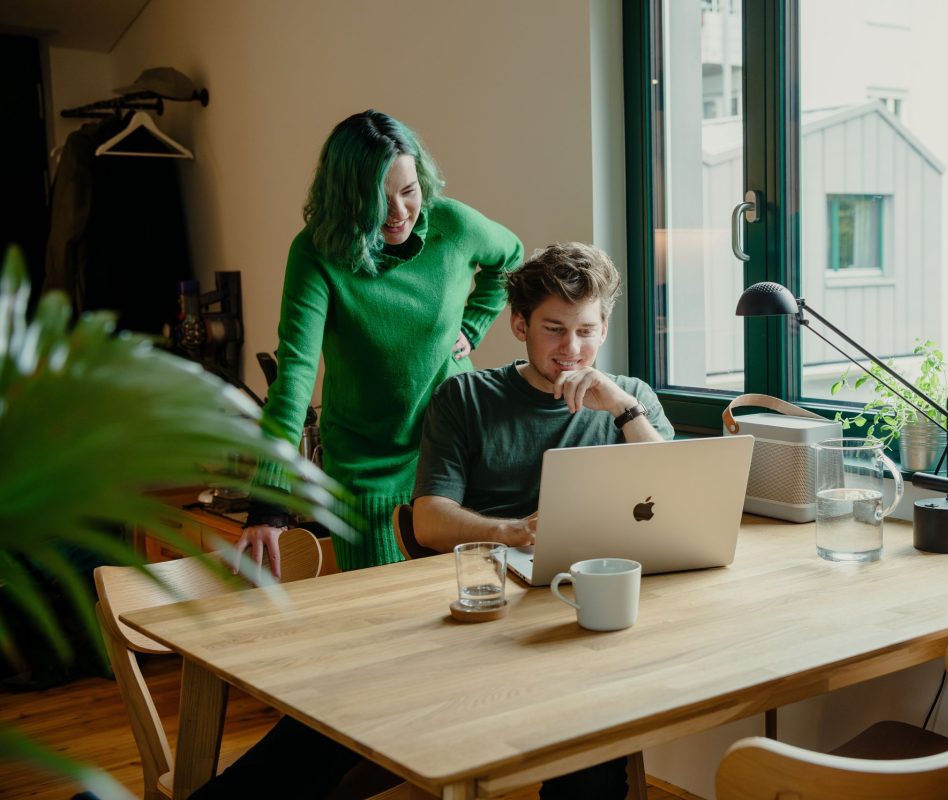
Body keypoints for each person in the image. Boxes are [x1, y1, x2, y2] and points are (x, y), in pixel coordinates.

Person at [412, 241, 674, 798]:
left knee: (596, 717)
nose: (571, 349)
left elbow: (673, 497)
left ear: (604, 327)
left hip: (596, 609)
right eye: (554, 329)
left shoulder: (632, 399)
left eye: (585, 330)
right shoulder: (466, 397)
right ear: (518, 324)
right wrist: (511, 531)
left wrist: (622, 411)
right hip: (495, 618)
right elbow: (428, 522)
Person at [237, 110, 523, 575]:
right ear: (346, 198)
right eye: (378, 198)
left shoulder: (452, 226)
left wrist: (473, 324)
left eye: (408, 191)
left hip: (455, 457)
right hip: (368, 475)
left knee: (477, 614)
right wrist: (267, 505)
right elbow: (294, 376)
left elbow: (510, 257)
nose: (399, 213)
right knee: (384, 626)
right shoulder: (316, 253)